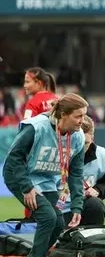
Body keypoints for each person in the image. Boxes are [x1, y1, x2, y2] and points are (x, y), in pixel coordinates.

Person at [2, 93, 88, 257]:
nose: (82, 121)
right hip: (19, 175)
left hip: (46, 179)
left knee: (58, 223)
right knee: (48, 217)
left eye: (84, 116)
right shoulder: (37, 127)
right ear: (64, 114)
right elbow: (14, 158)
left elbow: (76, 173)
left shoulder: (78, 137)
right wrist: (26, 187)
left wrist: (77, 205)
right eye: (78, 116)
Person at [59, 115, 105, 227]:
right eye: (78, 142)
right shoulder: (57, 152)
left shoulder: (101, 154)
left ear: (92, 138)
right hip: (60, 208)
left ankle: (93, 237)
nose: (81, 148)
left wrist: (97, 190)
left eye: (86, 143)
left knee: (96, 205)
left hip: (85, 205)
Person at [22, 67, 59, 218]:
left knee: (32, 197)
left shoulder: (33, 103)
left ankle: (30, 226)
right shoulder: (57, 99)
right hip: (56, 158)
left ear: (38, 83)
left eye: (27, 82)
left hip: (37, 157)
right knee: (54, 200)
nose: (24, 85)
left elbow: (26, 130)